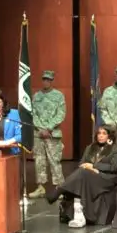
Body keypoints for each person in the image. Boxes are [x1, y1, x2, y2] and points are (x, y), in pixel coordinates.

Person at [46, 125, 117, 228]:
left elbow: (114, 167)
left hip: (106, 177)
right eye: (99, 133)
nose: (100, 136)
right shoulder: (90, 147)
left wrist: (94, 167)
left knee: (83, 173)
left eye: (104, 133)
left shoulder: (115, 149)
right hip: (89, 176)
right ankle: (79, 214)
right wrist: (91, 169)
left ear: (110, 136)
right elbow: (82, 164)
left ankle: (59, 190)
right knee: (83, 173)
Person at [30, 70, 66, 198]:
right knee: (39, 160)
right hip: (38, 133)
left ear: (52, 81)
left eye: (48, 80)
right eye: (44, 79)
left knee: (54, 160)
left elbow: (61, 114)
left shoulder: (59, 96)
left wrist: (49, 128)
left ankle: (59, 187)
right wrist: (40, 128)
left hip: (52, 134)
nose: (46, 82)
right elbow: (32, 113)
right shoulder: (36, 96)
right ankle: (41, 187)